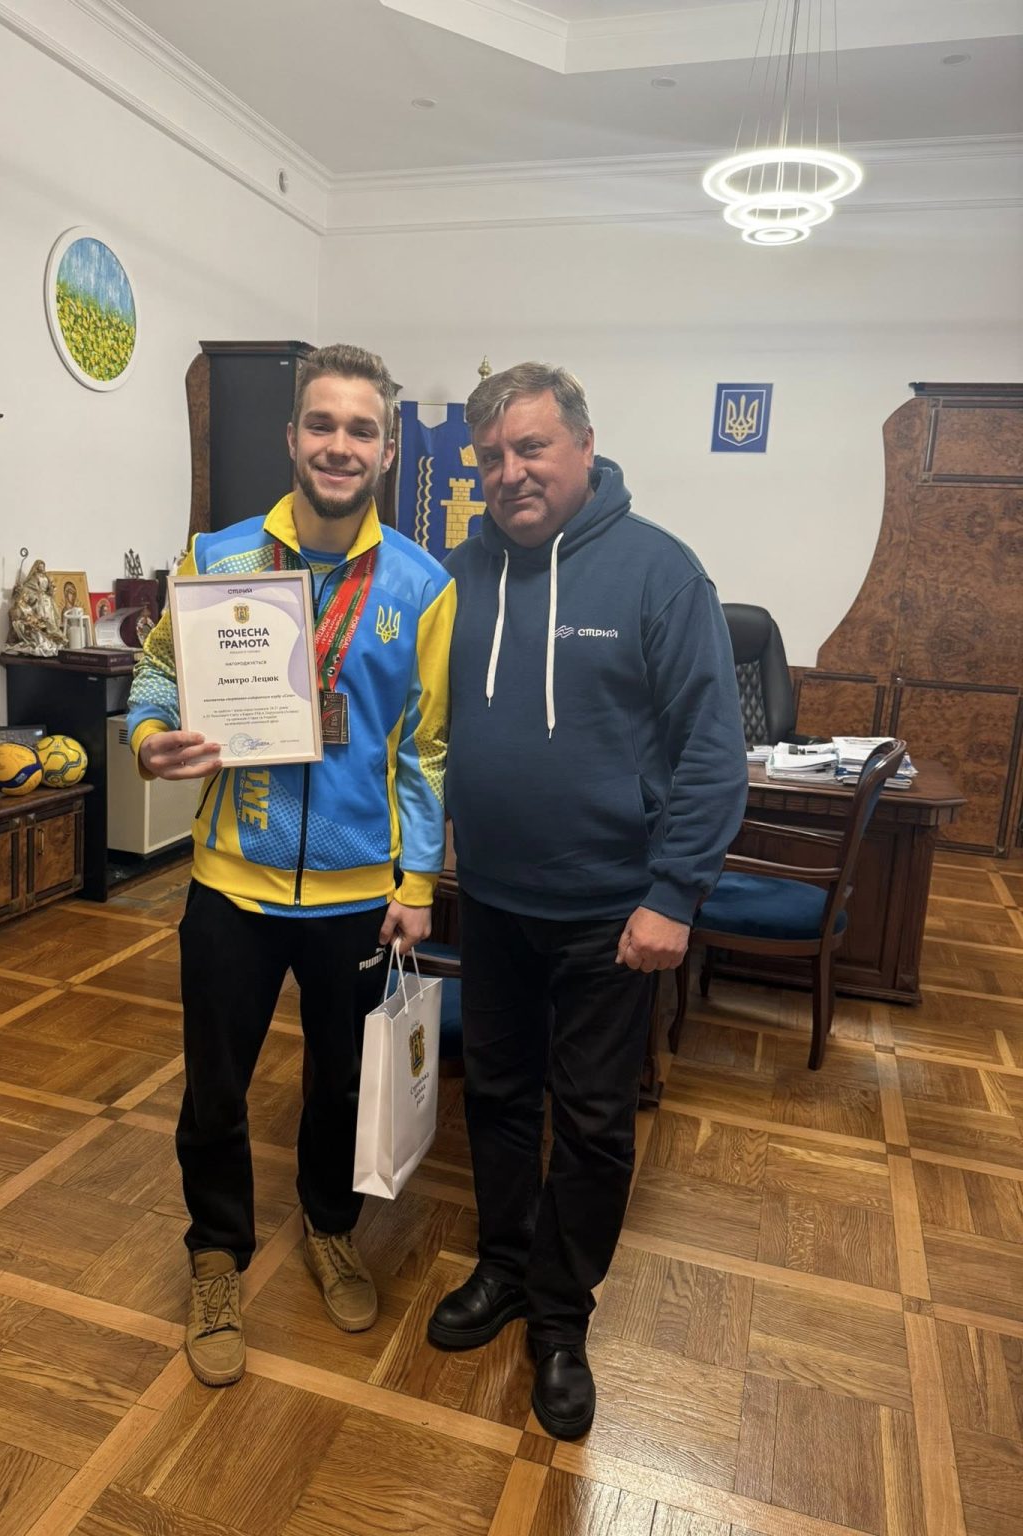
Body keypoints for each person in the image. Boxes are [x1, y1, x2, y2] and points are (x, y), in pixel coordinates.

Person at [426, 363, 747, 1440]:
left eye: (532, 448)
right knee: (497, 1097)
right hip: (493, 899)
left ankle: (562, 1320)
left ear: (584, 446)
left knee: (597, 1122)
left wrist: (674, 893)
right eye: (491, 456)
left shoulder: (662, 573)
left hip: (615, 913)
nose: (510, 472)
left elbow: (714, 750)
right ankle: (504, 1266)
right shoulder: (458, 574)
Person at [127, 343, 454, 1388]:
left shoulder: (423, 587)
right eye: (323, 424)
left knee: (340, 1084)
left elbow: (426, 751)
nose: (339, 446)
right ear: (291, 437)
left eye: (362, 429)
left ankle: (329, 1225)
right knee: (215, 1089)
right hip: (232, 880)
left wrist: (416, 884)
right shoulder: (220, 558)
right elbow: (154, 678)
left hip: (358, 894)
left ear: (387, 450)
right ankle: (216, 1254)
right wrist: (147, 738)